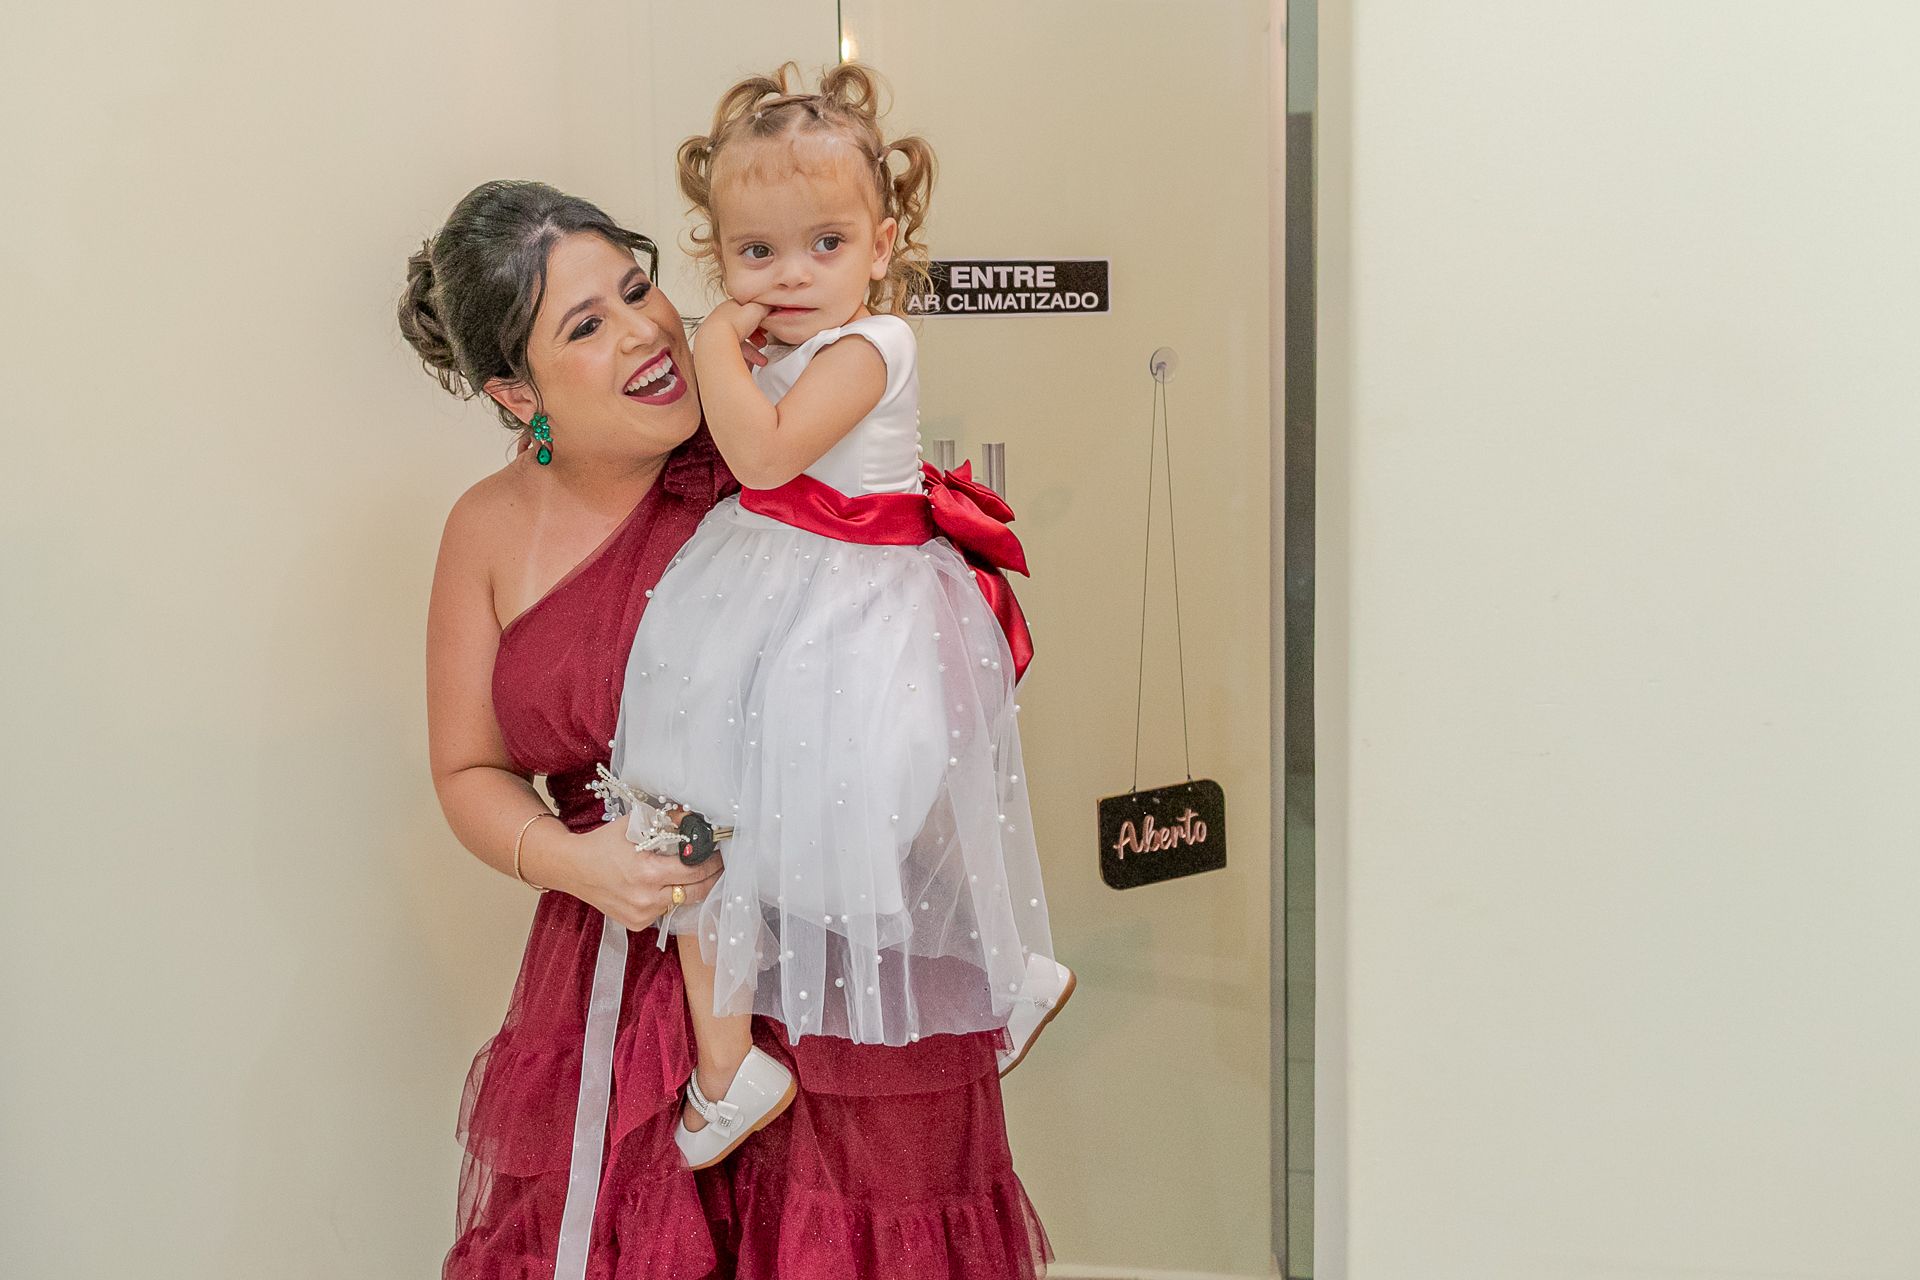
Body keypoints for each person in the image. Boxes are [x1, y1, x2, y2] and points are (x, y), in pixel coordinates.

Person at [404, 178, 1052, 1279]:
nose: (647, 332)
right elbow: (468, 766)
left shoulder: (771, 459)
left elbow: (923, 656)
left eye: (638, 287)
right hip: (617, 959)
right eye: (586, 325)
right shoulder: (486, 531)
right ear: (518, 394)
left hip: (834, 956)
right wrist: (574, 859)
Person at [608, 62, 1075, 1171]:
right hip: (780, 583)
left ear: (881, 243)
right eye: (754, 252)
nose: (792, 274)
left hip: (853, 603)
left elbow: (764, 453)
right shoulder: (792, 344)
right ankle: (731, 1064)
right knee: (697, 802)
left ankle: (1009, 971)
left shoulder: (877, 345)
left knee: (838, 821)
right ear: (718, 249)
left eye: (827, 243)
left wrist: (715, 343)